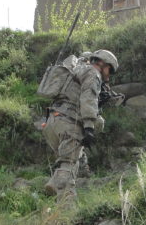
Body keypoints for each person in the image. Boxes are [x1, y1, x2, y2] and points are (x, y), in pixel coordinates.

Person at [42, 49, 119, 202]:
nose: (108, 75)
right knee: (68, 165)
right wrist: (89, 127)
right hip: (69, 122)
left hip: (52, 122)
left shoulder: (76, 69)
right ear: (102, 63)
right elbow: (88, 98)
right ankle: (66, 208)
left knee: (69, 160)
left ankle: (54, 183)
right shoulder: (92, 73)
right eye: (109, 70)